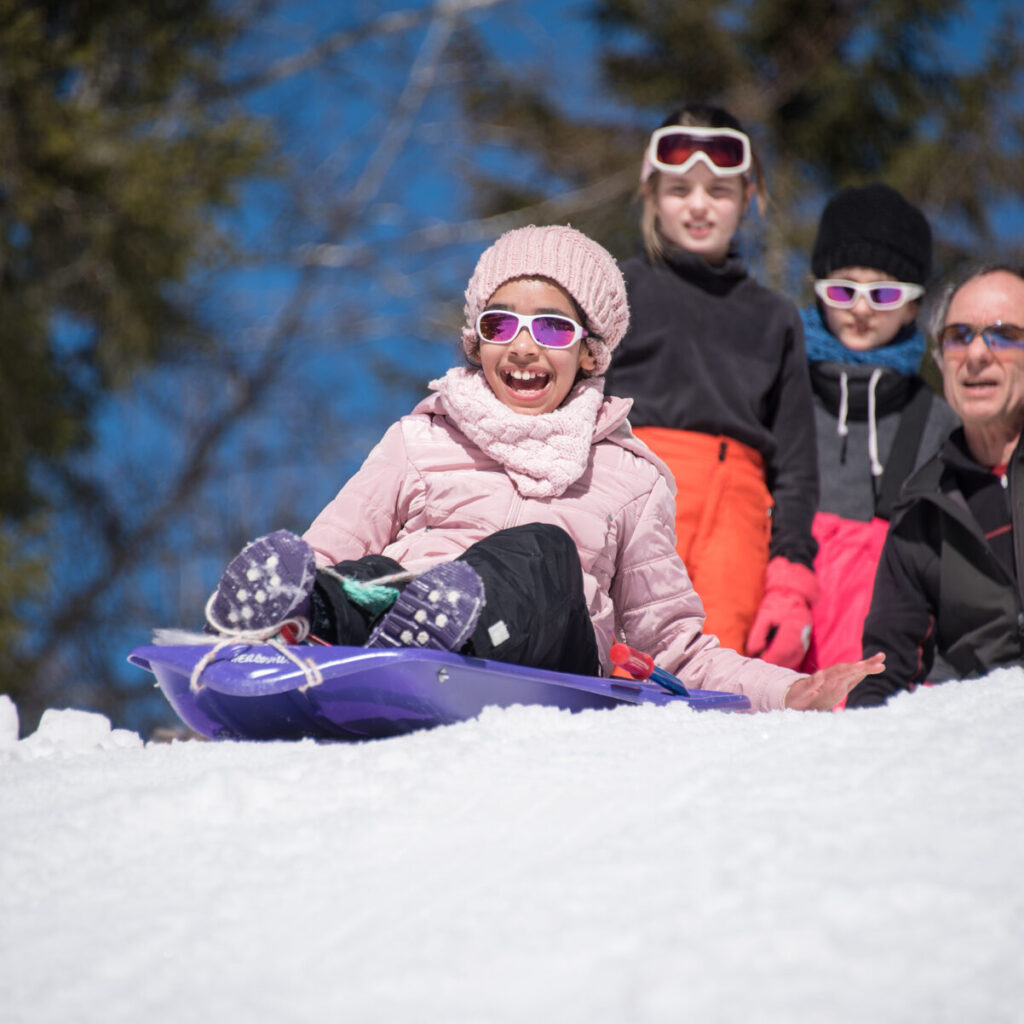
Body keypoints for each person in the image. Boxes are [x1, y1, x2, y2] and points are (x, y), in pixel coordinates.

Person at [204, 224, 883, 712]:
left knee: (542, 549)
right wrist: (308, 583)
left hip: (544, 654)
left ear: (590, 353)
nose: (524, 347)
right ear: (476, 342)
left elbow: (675, 646)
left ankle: (452, 627)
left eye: (553, 328)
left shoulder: (629, 477)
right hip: (405, 625)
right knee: (372, 578)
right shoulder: (419, 440)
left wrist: (789, 689)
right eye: (502, 326)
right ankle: (299, 625)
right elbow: (329, 551)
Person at [604, 103, 818, 670]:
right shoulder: (616, 289)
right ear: (651, 194)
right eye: (680, 189)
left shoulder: (775, 318)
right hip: (634, 501)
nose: (699, 205)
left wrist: (791, 576)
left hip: (738, 519)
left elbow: (796, 464)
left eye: (718, 191)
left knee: (714, 681)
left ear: (750, 197)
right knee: (617, 670)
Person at [847, 264, 1024, 707]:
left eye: (1002, 334)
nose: (978, 353)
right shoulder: (921, 508)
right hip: (980, 742)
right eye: (959, 335)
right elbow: (885, 670)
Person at [799, 184, 958, 675]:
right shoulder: (780, 394)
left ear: (913, 307)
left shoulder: (940, 423)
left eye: (884, 293)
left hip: (885, 678)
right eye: (844, 290)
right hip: (777, 667)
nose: (862, 309)